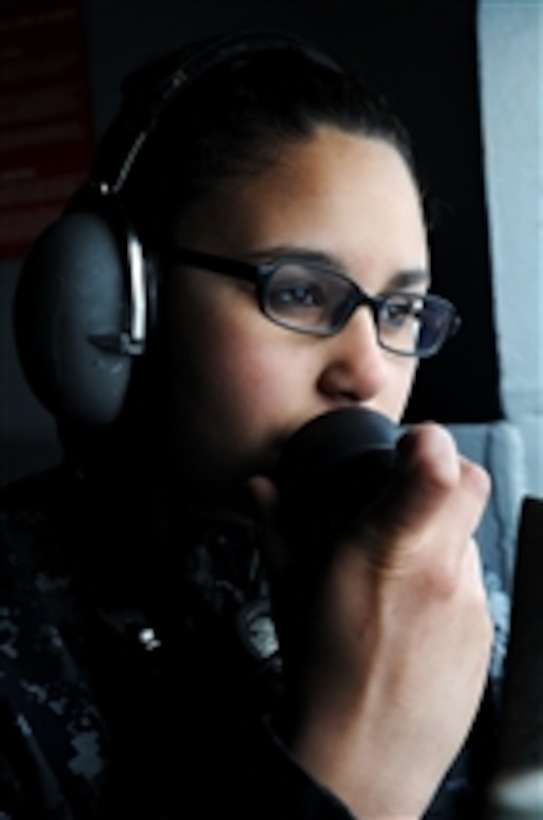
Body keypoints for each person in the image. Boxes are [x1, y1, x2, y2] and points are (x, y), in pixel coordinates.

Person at [0, 30, 501, 819]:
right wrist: (360, 775)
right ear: (129, 310)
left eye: (399, 311)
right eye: (300, 292)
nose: (368, 373)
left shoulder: (454, 587)